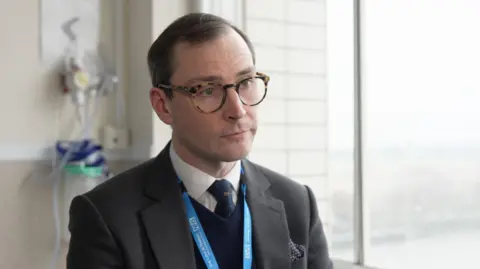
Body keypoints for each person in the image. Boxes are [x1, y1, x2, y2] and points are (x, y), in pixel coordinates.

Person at [66, 12, 333, 269]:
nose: (237, 110)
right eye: (207, 90)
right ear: (163, 106)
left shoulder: (297, 203)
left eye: (246, 82)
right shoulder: (106, 215)